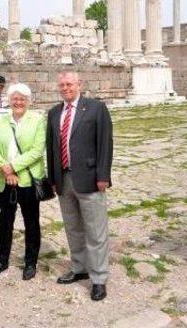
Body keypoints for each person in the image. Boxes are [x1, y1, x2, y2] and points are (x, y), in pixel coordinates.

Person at [45, 71, 113, 301]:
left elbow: (105, 143)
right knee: (73, 229)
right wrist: (53, 179)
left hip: (91, 178)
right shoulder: (55, 112)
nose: (65, 88)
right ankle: (80, 267)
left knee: (95, 231)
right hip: (64, 180)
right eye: (62, 84)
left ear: (79, 85)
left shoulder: (95, 108)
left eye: (69, 84)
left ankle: (99, 278)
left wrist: (103, 175)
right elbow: (51, 148)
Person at [0, 83, 46, 281]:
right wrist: (5, 169)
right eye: (15, 98)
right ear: (9, 100)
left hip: (27, 180)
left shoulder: (37, 120)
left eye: (22, 99)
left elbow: (37, 151)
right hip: (5, 179)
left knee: (31, 222)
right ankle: (2, 260)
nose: (18, 102)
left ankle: (30, 262)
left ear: (28, 101)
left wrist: (13, 167)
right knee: (5, 221)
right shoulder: (2, 121)